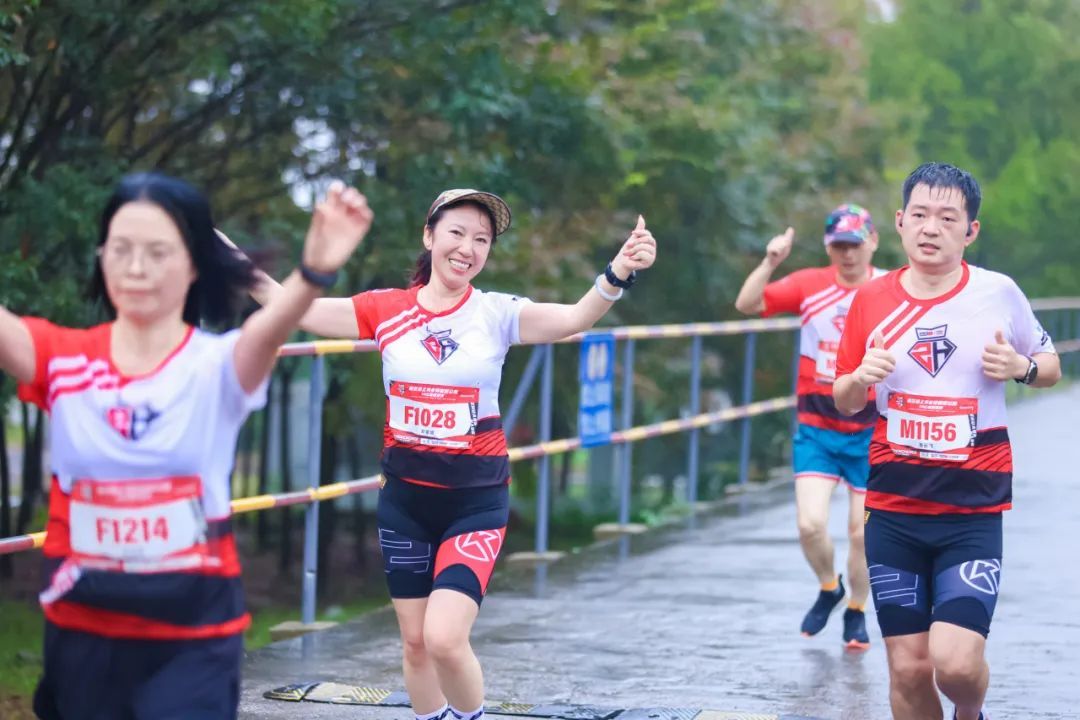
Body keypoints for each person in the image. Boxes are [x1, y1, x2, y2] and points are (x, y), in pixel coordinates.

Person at [244, 188, 657, 720]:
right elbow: (294, 308)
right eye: (457, 233)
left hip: (474, 504)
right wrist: (226, 258)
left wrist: (619, 272)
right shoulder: (386, 309)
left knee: (443, 638)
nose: (467, 248)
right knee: (415, 644)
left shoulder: (497, 313)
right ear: (429, 236)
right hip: (405, 503)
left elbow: (575, 318)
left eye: (481, 239)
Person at [0, 172, 372, 719]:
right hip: (82, 637)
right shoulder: (63, 359)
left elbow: (270, 329)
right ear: (102, 257)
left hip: (193, 640)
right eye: (121, 249)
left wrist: (314, 272)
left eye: (158, 252)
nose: (136, 268)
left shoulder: (216, 367)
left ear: (194, 263)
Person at [834, 162, 1059, 720]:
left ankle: (970, 712)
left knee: (955, 665)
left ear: (971, 230)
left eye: (947, 217)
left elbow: (1050, 365)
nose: (931, 228)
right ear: (900, 222)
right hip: (894, 510)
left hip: (970, 513)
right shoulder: (871, 299)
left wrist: (1022, 367)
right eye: (920, 215)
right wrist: (860, 378)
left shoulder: (998, 292)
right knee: (909, 669)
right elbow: (844, 398)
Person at [734, 203, 883, 649]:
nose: (848, 254)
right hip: (817, 428)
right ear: (827, 247)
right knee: (810, 525)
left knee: (862, 533)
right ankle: (828, 586)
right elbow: (747, 304)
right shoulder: (809, 284)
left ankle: (856, 609)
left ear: (873, 242)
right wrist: (770, 262)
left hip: (872, 432)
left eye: (855, 245)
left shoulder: (890, 289)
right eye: (839, 246)